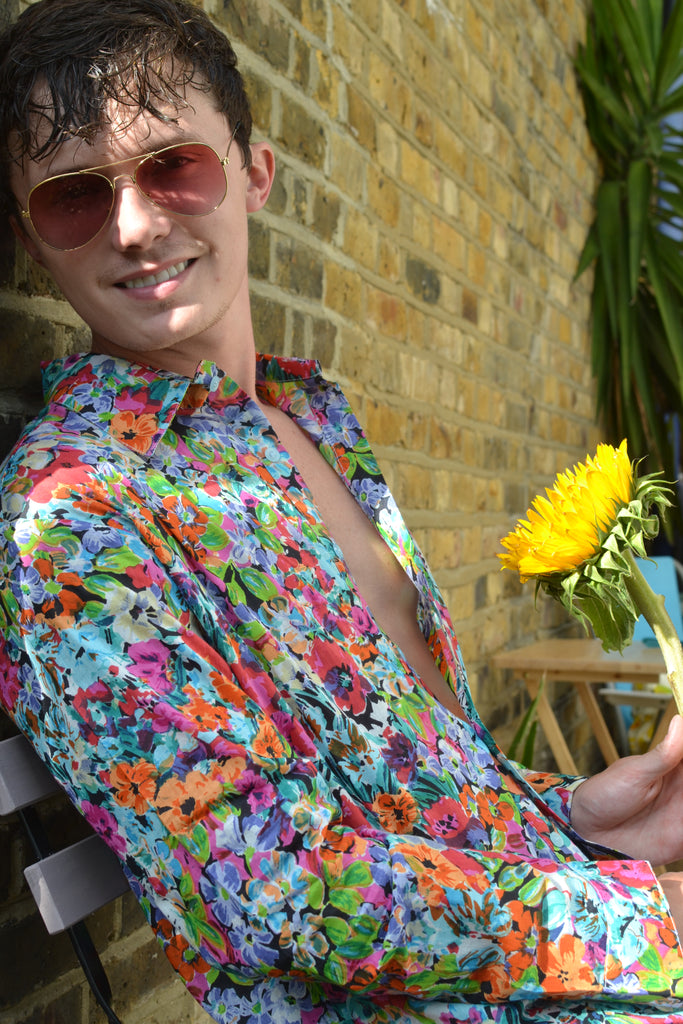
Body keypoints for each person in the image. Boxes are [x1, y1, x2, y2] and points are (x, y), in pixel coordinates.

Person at [1, 1, 683, 1022]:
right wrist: (643, 922)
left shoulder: (307, 419)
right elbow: (268, 890)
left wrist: (579, 813)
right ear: (31, 239)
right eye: (73, 198)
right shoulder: (73, 519)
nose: (135, 226)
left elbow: (404, 782)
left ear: (254, 174)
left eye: (173, 167)